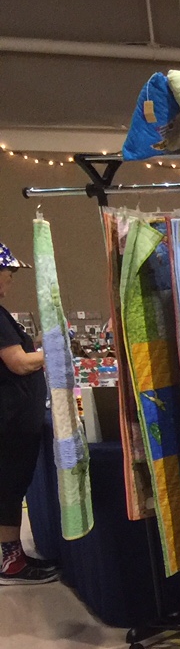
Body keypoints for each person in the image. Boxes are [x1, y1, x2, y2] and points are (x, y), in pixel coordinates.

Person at [0, 241, 54, 585]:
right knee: (9, 487)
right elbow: (18, 363)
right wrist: (52, 352)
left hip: (13, 419)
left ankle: (13, 556)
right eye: (8, 273)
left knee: (9, 487)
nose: (10, 279)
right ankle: (12, 562)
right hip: (11, 421)